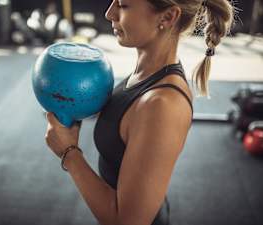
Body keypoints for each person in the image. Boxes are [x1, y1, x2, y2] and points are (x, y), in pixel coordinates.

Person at [44, 0, 235, 224]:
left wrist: (70, 153)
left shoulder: (162, 105)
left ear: (167, 17)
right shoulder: (145, 73)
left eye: (123, 5)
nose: (109, 13)